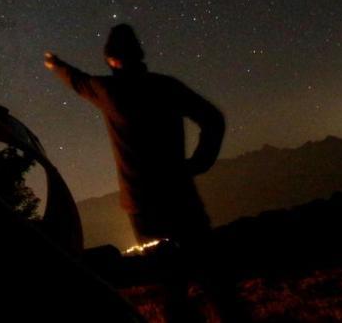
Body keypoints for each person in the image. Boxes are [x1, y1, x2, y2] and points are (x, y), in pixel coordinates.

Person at [45, 23, 245, 321]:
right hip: (181, 196)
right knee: (213, 279)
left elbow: (77, 80)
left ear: (111, 60)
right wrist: (199, 162)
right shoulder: (166, 86)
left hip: (142, 207)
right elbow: (213, 119)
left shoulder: (107, 91)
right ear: (139, 55)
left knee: (171, 287)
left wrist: (55, 64)